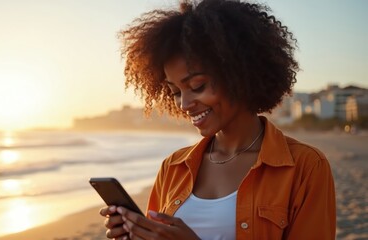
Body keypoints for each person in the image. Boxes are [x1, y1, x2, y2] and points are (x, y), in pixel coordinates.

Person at [99, 0, 336, 239]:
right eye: (176, 92)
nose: (184, 104)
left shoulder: (306, 166)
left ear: (240, 73)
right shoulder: (172, 167)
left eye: (197, 86)